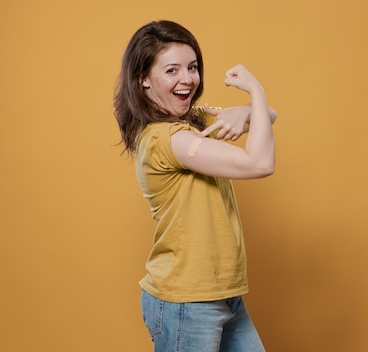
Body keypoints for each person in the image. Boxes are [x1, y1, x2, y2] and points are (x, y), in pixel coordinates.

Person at [114, 20, 276, 352]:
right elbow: (260, 163)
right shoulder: (168, 139)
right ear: (143, 79)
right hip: (186, 302)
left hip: (223, 294)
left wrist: (244, 110)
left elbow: (269, 116)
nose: (187, 78)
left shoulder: (192, 121)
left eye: (192, 67)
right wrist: (254, 92)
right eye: (171, 70)